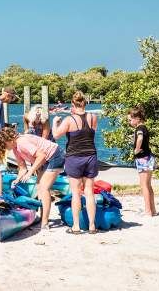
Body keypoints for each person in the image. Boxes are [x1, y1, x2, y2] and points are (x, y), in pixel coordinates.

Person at [0, 127, 65, 231]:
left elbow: (42, 155)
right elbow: (22, 168)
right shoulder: (15, 148)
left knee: (44, 188)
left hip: (55, 155)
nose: (4, 148)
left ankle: (45, 223)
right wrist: (18, 179)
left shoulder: (21, 142)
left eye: (4, 144)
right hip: (45, 160)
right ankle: (41, 217)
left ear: (9, 140)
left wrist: (30, 172)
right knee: (39, 186)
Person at [52, 91, 99, 234]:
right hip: (91, 156)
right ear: (84, 103)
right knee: (89, 192)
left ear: (73, 104)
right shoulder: (93, 117)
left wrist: (54, 123)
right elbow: (92, 132)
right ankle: (92, 226)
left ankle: (76, 226)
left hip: (74, 158)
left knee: (76, 193)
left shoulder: (69, 120)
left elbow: (56, 136)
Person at [128, 106, 156, 216]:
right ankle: (153, 210)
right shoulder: (144, 127)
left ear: (137, 118)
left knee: (144, 185)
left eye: (130, 119)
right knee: (148, 185)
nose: (129, 122)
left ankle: (148, 211)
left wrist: (136, 149)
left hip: (143, 159)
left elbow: (140, 138)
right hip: (149, 157)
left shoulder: (139, 128)